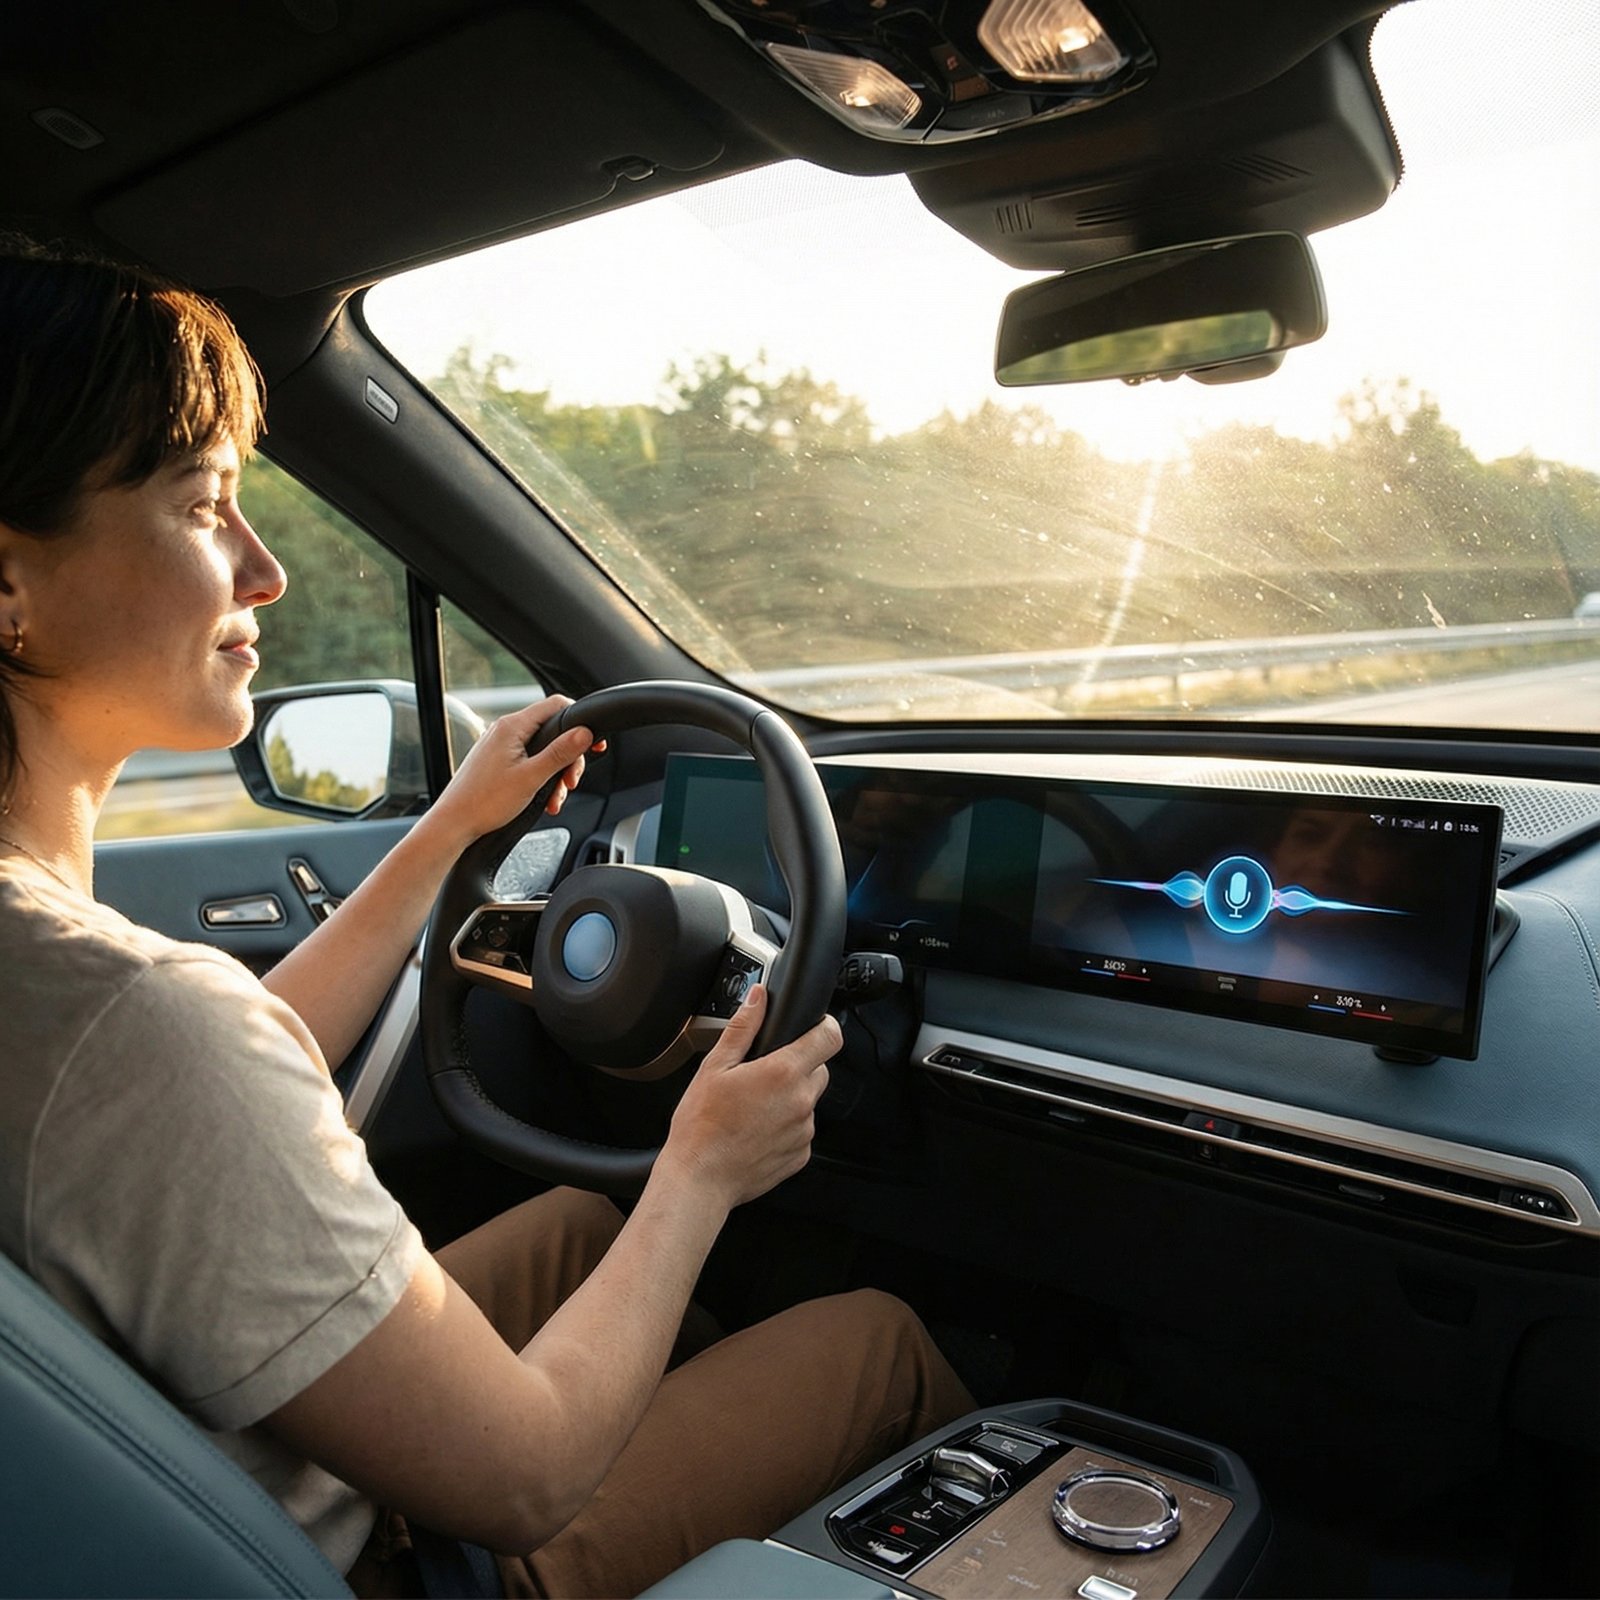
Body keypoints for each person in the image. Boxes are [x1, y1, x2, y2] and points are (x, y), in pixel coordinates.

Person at [0, 237, 973, 1598]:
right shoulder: (132, 1022)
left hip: (184, 1472)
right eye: (204, 504)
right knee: (872, 1336)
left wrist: (449, 832)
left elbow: (220, 1073)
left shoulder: (56, 984)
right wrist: (704, 1167)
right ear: (7, 586)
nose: (265, 570)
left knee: (584, 1228)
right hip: (383, 1561)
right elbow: (524, 1477)